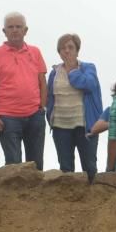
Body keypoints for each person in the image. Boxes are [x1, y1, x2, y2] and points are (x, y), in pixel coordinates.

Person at [0, 12, 47, 168]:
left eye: (18, 27)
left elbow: (42, 82)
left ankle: (36, 193)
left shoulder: (36, 52)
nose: (15, 30)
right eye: (10, 27)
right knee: (13, 165)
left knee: (36, 164)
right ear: (4, 31)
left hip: (35, 115)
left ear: (25, 30)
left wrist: (42, 108)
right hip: (7, 118)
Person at [45, 33, 103, 182]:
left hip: (85, 125)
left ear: (77, 50)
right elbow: (49, 96)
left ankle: (93, 199)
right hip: (60, 125)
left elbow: (88, 85)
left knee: (89, 167)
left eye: (70, 47)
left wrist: (72, 70)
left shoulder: (88, 68)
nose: (67, 51)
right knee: (65, 169)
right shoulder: (54, 73)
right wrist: (49, 118)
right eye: (63, 48)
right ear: (59, 52)